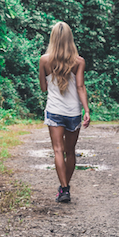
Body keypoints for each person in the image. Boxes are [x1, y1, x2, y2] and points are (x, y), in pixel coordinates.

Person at [39, 21, 90, 203]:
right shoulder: (79, 61)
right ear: (70, 39)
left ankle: (65, 189)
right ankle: (64, 188)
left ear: (53, 38)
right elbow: (80, 86)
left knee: (58, 150)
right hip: (73, 112)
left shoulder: (44, 60)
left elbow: (44, 88)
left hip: (54, 111)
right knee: (70, 151)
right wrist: (87, 110)